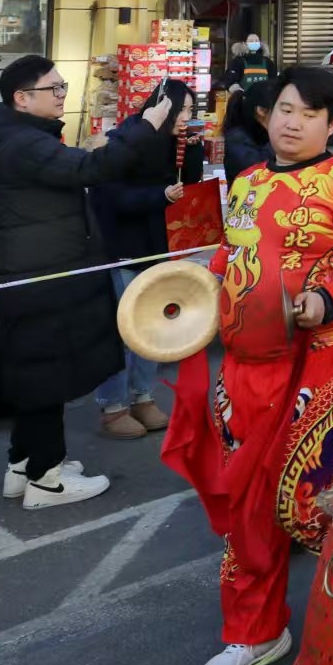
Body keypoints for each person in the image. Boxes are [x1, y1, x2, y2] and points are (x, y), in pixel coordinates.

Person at [161, 66, 333, 665]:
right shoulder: (246, 182)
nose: (292, 123)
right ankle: (255, 631)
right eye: (284, 109)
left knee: (309, 500)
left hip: (320, 360)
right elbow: (227, 254)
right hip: (247, 363)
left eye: (308, 113)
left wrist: (332, 296)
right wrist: (196, 291)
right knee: (247, 503)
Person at [0, 56, 174, 509]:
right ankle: (47, 480)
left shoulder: (17, 138)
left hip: (36, 275)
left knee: (36, 375)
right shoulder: (23, 143)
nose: (63, 94)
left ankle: (24, 465)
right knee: (45, 377)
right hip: (40, 278)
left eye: (64, 86)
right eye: (54, 89)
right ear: (21, 99)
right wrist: (145, 125)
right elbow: (91, 169)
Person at [88, 79, 202, 440]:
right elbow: (112, 198)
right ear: (162, 106)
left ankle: (143, 396)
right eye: (181, 109)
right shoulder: (128, 138)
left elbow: (190, 186)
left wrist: (193, 150)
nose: (186, 117)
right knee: (122, 328)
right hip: (122, 247)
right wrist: (161, 196)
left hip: (157, 247)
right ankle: (113, 405)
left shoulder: (172, 143)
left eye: (190, 111)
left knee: (152, 326)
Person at [221, 79, 274, 184]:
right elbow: (260, 173)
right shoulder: (238, 138)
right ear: (261, 111)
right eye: (286, 110)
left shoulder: (266, 135)